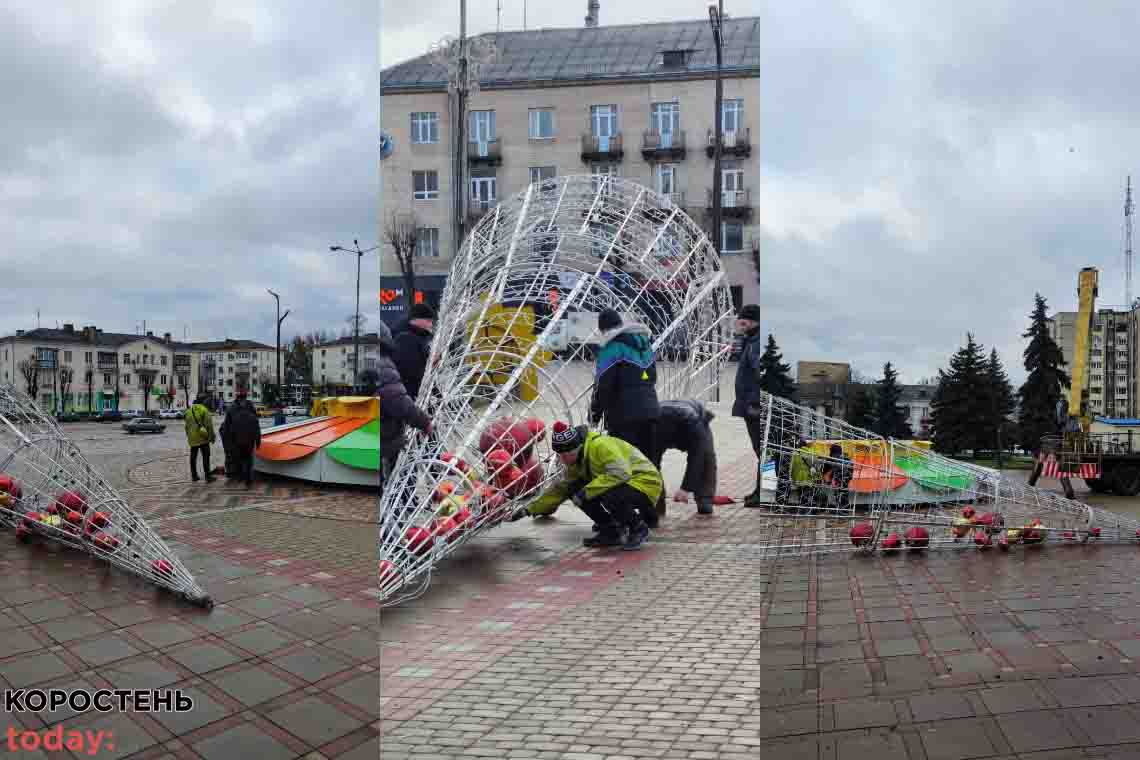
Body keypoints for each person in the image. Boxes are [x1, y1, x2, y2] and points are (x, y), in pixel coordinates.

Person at [514, 423, 659, 551]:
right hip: (623, 483)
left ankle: (638, 528)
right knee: (574, 489)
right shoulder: (575, 461)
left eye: (565, 455)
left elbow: (621, 473)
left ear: (577, 448)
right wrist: (528, 510)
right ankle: (611, 530)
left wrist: (587, 491)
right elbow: (560, 489)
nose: (562, 460)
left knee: (608, 494)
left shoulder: (600, 446)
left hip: (644, 483)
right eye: (559, 455)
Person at [589, 308, 660, 466]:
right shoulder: (645, 345)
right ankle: (656, 491)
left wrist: (594, 415)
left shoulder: (611, 348)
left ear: (603, 329)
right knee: (649, 464)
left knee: (626, 465)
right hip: (651, 411)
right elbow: (652, 377)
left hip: (624, 417)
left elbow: (603, 386)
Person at [376, 321, 432, 486]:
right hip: (385, 436)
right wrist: (424, 422)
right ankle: (403, 507)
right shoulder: (382, 364)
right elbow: (398, 401)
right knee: (399, 479)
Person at [649, 399, 718, 516]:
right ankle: (657, 504)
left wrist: (685, 488)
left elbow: (697, 458)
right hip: (665, 422)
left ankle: (705, 500)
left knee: (707, 457)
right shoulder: (653, 426)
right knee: (651, 465)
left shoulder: (696, 424)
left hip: (693, 416)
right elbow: (652, 464)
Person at [392, 303, 435, 400]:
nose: (431, 324)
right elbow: (414, 374)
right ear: (416, 320)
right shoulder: (406, 340)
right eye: (428, 321)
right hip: (411, 397)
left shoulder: (418, 337)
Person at [223, 391, 261, 488]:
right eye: (241, 398)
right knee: (239, 459)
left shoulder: (250, 406)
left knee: (248, 460)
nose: (243, 400)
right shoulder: (232, 408)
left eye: (243, 398)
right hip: (237, 440)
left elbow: (256, 425)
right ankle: (241, 476)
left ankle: (247, 478)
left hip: (247, 440)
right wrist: (228, 441)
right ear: (238, 399)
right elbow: (227, 426)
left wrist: (257, 440)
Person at [184, 394, 216, 483]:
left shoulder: (188, 411)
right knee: (206, 457)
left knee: (193, 457)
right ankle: (208, 476)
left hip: (192, 438)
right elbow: (209, 426)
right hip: (203, 437)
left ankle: (194, 476)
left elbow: (186, 426)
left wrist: (189, 436)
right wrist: (212, 437)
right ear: (204, 401)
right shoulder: (204, 410)